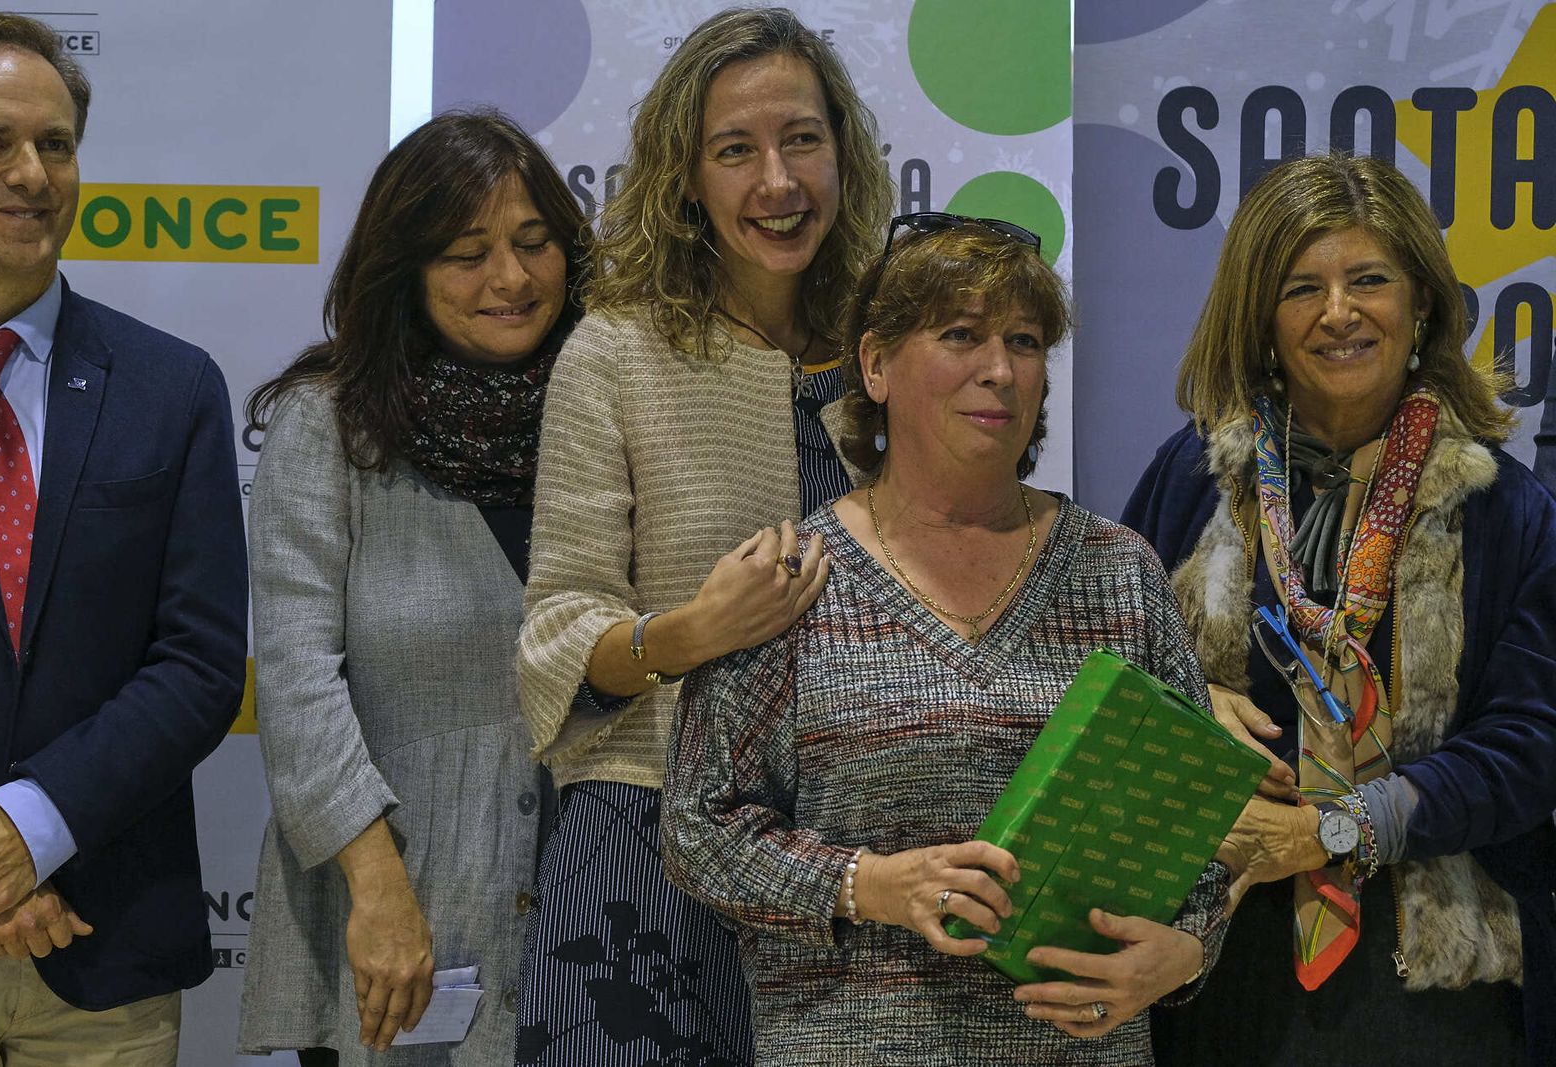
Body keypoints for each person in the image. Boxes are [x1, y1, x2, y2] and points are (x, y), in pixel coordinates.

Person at [659, 217, 1230, 1066]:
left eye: (1025, 341)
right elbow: (697, 829)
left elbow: (1200, 838)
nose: (999, 369)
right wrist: (870, 884)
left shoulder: (1120, 571)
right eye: (960, 335)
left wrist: (1186, 952)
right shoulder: (795, 580)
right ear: (876, 365)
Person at [514, 7, 894, 1064]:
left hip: (850, 842)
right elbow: (555, 628)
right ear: (686, 175)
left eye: (801, 139)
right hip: (648, 837)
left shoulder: (896, 339)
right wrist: (687, 632)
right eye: (735, 150)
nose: (777, 181)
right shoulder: (615, 353)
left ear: (844, 152)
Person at [1122, 153, 1556, 1065]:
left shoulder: (1508, 509)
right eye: (1301, 287)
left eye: (1369, 280)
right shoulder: (1188, 478)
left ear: (1423, 302)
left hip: (1438, 978)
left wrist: (1335, 827)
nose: (1339, 312)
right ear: (1260, 318)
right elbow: (1108, 682)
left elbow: (1531, 747)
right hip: (1212, 958)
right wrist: (1188, 706)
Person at [235, 112, 589, 1065]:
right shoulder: (330, 427)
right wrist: (379, 890)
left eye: (532, 243)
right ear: (406, 269)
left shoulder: (607, 414)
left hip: (590, 913)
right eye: (467, 253)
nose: (510, 280)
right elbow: (299, 680)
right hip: (396, 914)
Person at [0, 12, 247, 1064]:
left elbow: (200, 663)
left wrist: (31, 828)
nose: (29, 172)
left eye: (55, 144)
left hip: (104, 946)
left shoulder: (172, 389)